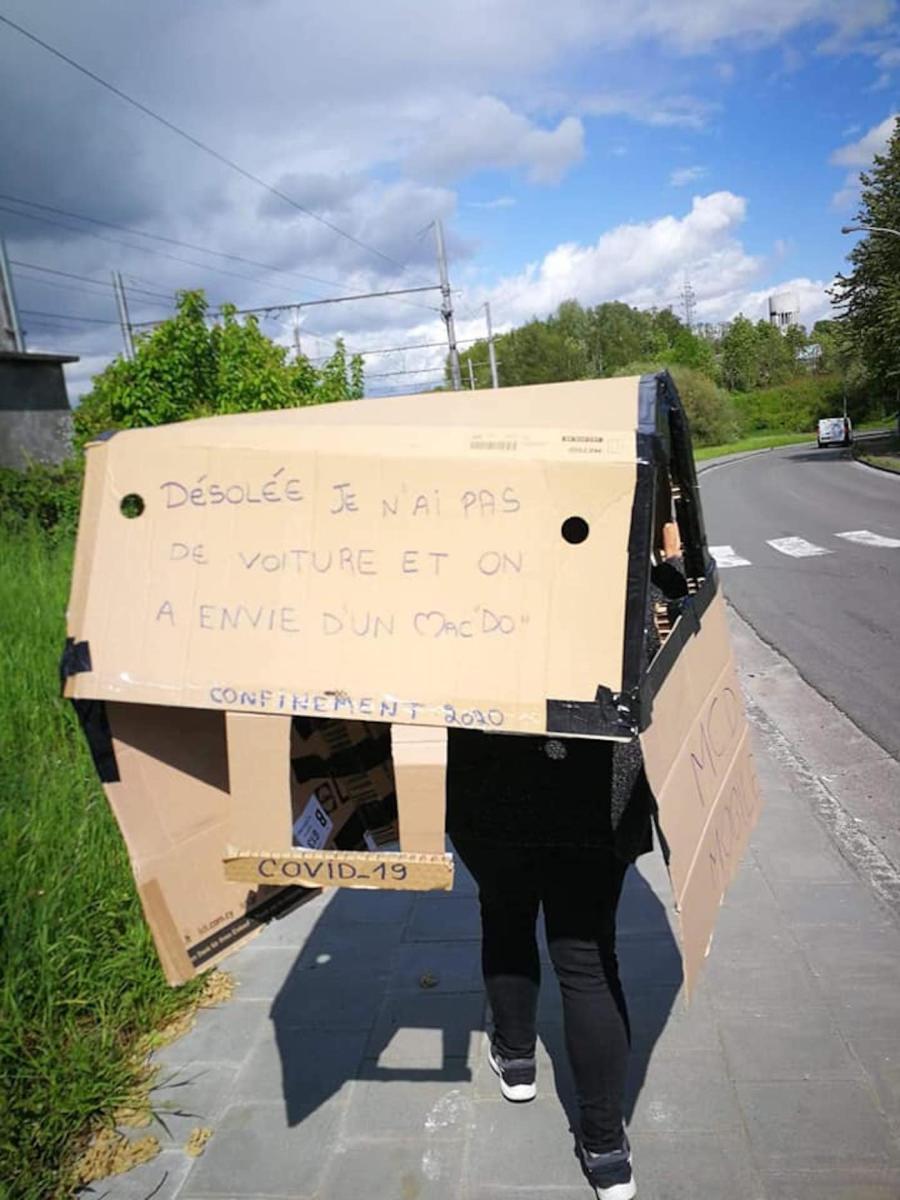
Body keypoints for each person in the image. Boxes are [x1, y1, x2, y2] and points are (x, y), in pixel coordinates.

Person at [446, 512, 687, 1200]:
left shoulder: (455, 567)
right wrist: (667, 553)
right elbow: (672, 613)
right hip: (592, 788)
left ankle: (517, 1061)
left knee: (505, 913)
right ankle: (606, 1149)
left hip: (487, 785)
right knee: (586, 957)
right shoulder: (610, 551)